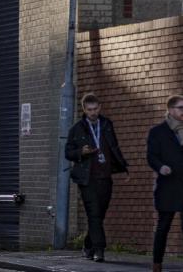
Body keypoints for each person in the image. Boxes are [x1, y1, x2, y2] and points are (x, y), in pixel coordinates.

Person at [64, 93, 129, 263]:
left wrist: (124, 168)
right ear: (84, 110)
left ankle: (88, 244)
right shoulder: (77, 129)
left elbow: (114, 147)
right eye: (89, 109)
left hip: (105, 176)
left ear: (99, 108)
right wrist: (81, 152)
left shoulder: (107, 124)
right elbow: (68, 153)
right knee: (93, 213)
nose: (93, 112)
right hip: (87, 179)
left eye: (95, 109)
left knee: (100, 214)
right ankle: (99, 250)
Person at [147, 94, 183, 272]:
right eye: (182, 108)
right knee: (163, 226)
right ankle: (157, 263)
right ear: (171, 110)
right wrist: (161, 167)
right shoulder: (157, 132)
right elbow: (151, 156)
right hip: (168, 185)